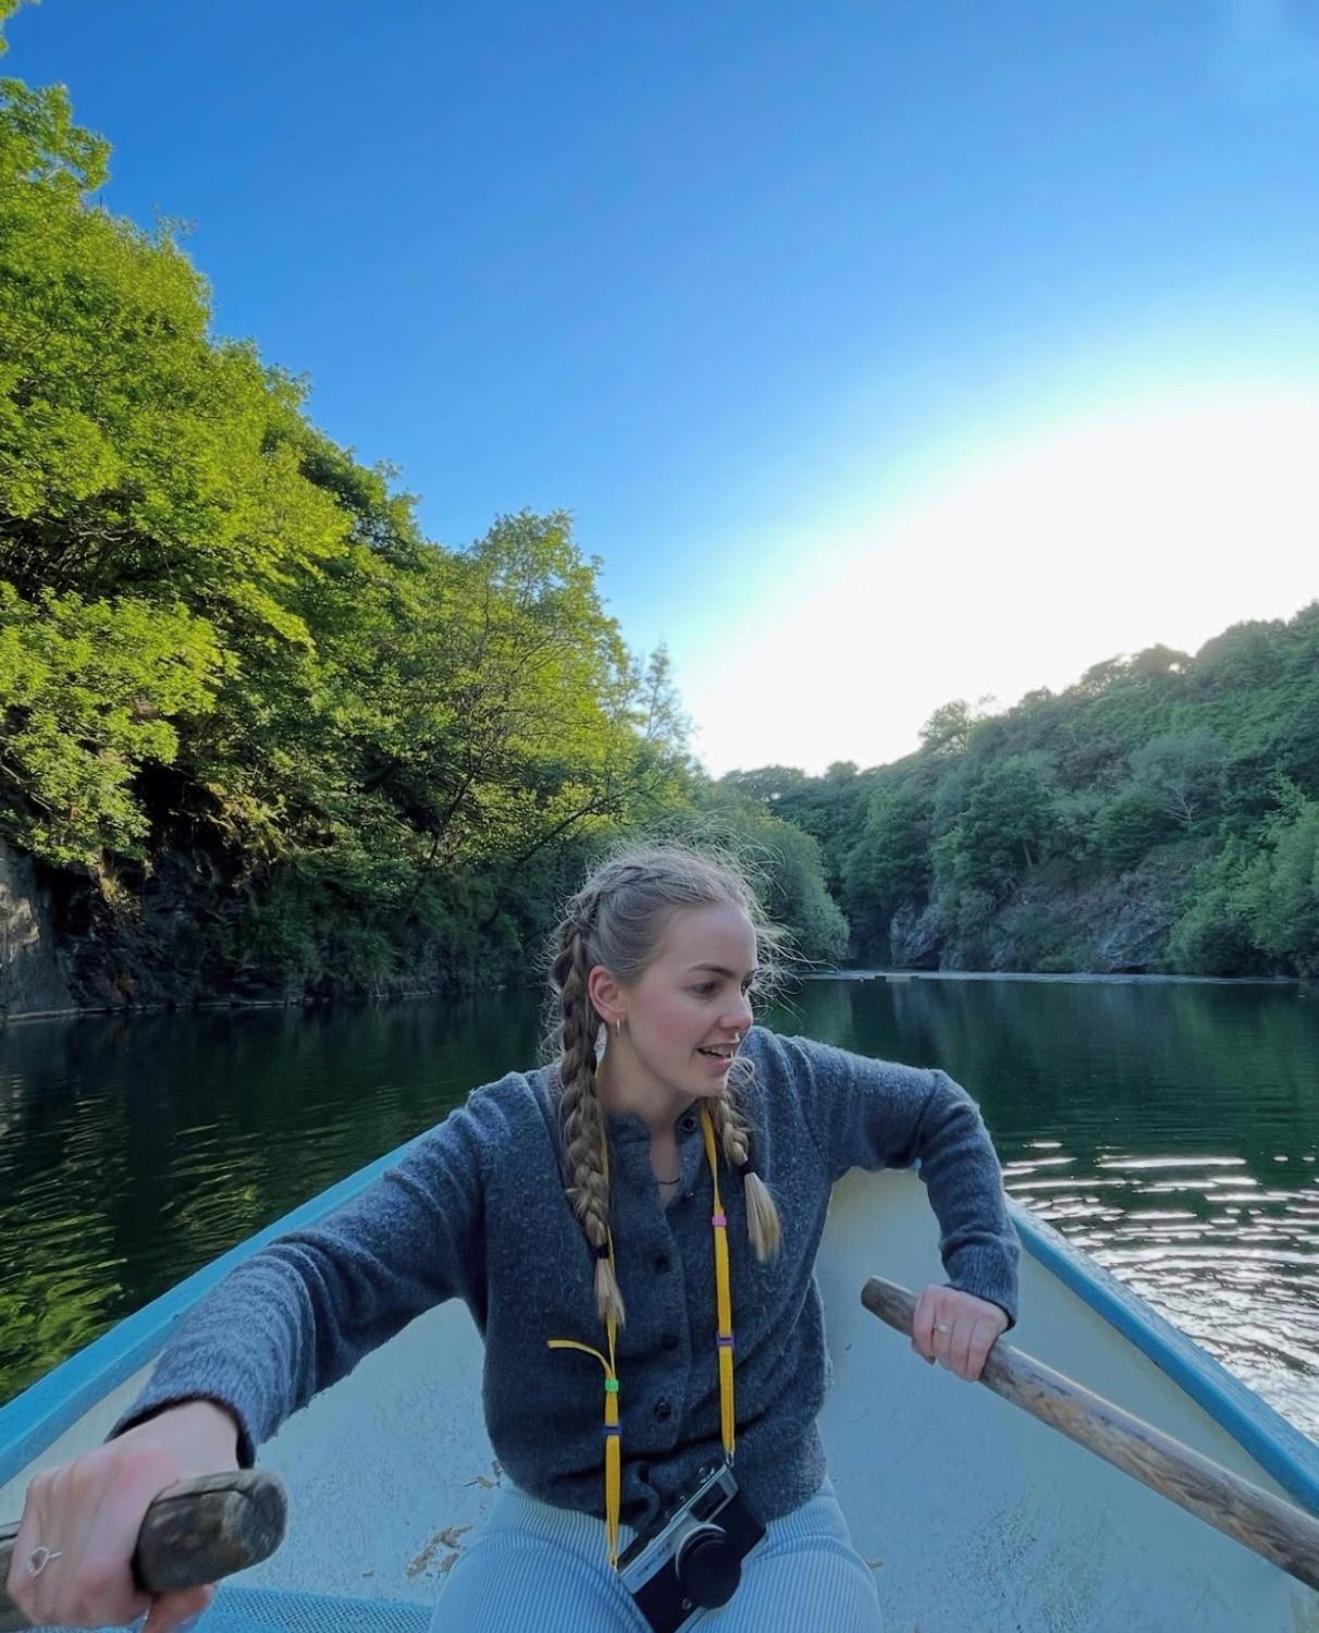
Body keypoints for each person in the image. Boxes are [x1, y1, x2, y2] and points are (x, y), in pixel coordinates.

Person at [6, 844, 1019, 1633]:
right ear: (608, 996)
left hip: (778, 1524)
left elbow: (941, 1112)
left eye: (747, 984)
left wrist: (976, 1273)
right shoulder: (499, 1140)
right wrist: (192, 1418)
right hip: (559, 1534)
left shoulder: (798, 1086)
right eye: (706, 987)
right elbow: (315, 1279)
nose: (741, 1016)